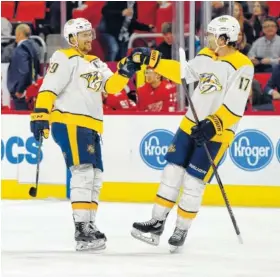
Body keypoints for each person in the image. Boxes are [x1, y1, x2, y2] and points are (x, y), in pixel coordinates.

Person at [130, 15, 254, 252]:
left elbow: (236, 104)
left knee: (193, 183)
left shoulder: (243, 65)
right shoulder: (206, 55)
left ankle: (181, 229)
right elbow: (184, 72)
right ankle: (156, 222)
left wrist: (213, 124)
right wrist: (154, 61)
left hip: (217, 133)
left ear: (224, 37)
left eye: (211, 34)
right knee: (171, 173)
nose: (206, 38)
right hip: (190, 125)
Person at [30, 18, 140, 251]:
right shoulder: (63, 57)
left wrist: (126, 70)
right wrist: (40, 114)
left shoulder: (96, 62)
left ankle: (89, 224)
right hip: (69, 121)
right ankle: (81, 228)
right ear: (72, 38)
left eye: (90, 34)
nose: (90, 38)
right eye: (84, 35)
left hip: (91, 126)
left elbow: (111, 87)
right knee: (82, 172)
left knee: (95, 175)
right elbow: (49, 87)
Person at [7, 24, 40, 110]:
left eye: (16, 34)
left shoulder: (21, 49)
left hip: (21, 91)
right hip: (30, 88)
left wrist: (20, 90)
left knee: (21, 116)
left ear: (20, 34)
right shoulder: (33, 47)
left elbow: (24, 70)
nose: (15, 37)